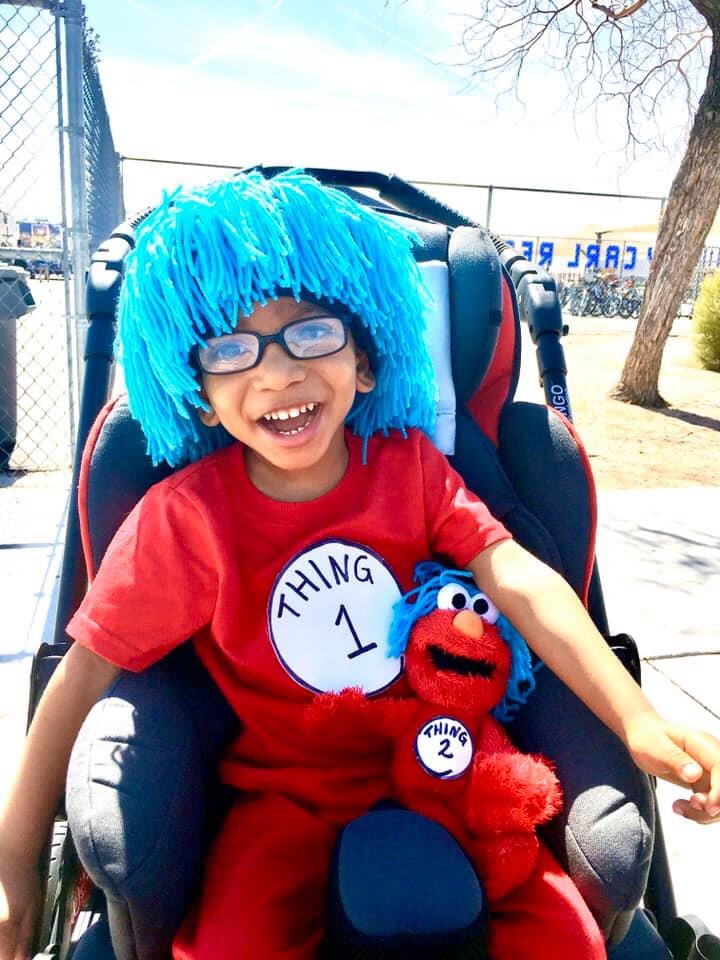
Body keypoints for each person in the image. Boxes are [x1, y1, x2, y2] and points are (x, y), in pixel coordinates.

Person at [0, 170, 718, 960]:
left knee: (563, 937)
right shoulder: (187, 519)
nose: (277, 372)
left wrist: (639, 719)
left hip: (447, 765)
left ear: (367, 360)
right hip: (279, 797)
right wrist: (13, 867)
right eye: (231, 349)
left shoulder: (409, 467)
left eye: (312, 332)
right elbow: (82, 676)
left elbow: (516, 579)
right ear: (199, 394)